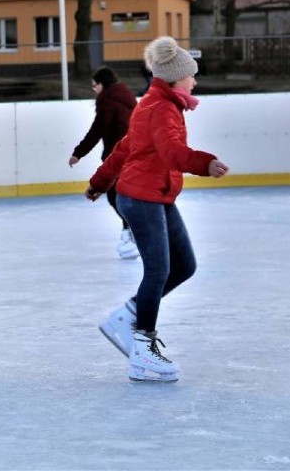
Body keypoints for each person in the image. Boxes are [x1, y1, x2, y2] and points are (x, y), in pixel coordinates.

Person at [86, 36, 229, 382]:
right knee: (159, 270)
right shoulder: (161, 107)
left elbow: (123, 149)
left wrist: (99, 181)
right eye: (191, 75)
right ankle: (142, 348)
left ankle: (130, 313)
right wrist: (205, 163)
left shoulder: (154, 102)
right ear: (175, 77)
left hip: (155, 194)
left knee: (184, 265)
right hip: (140, 197)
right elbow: (172, 153)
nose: (194, 81)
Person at [68, 66, 139, 259]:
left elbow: (98, 129)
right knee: (122, 196)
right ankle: (130, 231)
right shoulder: (126, 96)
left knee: (115, 196)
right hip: (134, 152)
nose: (94, 90)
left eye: (94, 86)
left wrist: (78, 153)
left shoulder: (107, 99)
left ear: (102, 84)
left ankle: (134, 231)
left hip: (118, 155)